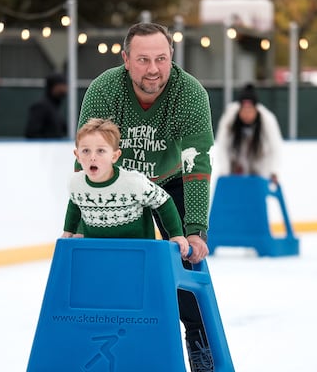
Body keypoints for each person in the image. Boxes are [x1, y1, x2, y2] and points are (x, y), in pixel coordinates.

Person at [77, 22, 215, 372]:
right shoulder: (105, 90)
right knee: (112, 270)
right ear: (125, 59)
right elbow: (88, 160)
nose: (153, 69)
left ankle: (199, 345)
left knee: (185, 263)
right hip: (120, 185)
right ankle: (110, 347)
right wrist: (81, 223)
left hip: (172, 181)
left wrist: (196, 228)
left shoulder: (190, 94)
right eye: (142, 60)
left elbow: (197, 164)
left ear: (171, 57)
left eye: (161, 59)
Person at [61, 118, 190, 257]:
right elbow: (75, 202)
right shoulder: (76, 183)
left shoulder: (133, 182)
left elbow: (163, 200)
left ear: (115, 156)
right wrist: (69, 230)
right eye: (86, 151)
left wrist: (176, 234)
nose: (92, 157)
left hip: (138, 253)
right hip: (100, 253)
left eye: (101, 151)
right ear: (77, 155)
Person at [214, 83, 283, 184]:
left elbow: (276, 146)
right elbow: (222, 145)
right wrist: (225, 170)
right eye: (244, 110)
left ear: (256, 109)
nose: (247, 114)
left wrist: (273, 171)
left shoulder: (267, 119)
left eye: (250, 110)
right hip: (236, 165)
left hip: (260, 166)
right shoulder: (229, 118)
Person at [24, 72, 68, 138]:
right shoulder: (41, 107)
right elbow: (31, 133)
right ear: (54, 87)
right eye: (63, 85)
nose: (65, 89)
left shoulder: (54, 107)